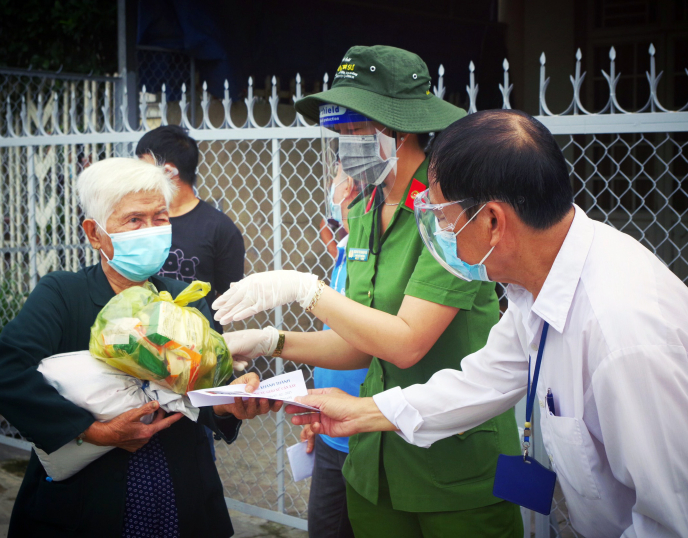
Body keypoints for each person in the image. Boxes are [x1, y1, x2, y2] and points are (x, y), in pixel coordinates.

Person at [284, 110, 688, 538]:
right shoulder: (540, 284)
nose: (441, 236)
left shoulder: (621, 332)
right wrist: (363, 412)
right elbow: (484, 380)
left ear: (493, 221)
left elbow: (682, 523)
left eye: (445, 219)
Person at [213, 46, 524, 537]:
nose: (344, 147)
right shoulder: (363, 209)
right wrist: (270, 342)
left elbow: (404, 343)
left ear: (398, 131)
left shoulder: (452, 209)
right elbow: (361, 346)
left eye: (354, 132)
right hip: (373, 459)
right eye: (338, 134)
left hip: (451, 466)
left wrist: (303, 289)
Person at [0, 158, 281, 537]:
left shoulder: (184, 299)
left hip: (181, 494)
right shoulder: (62, 294)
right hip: (87, 502)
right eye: (134, 220)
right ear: (94, 233)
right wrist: (92, 430)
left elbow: (205, 396)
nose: (151, 231)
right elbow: (3, 376)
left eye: (160, 218)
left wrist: (227, 404)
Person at [302, 166, 365, 538]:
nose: (334, 183)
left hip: (368, 429)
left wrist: (273, 341)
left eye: (337, 175)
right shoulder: (344, 249)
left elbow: (362, 346)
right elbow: (335, 339)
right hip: (330, 430)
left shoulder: (379, 254)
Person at [136, 125, 245, 330]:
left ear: (169, 172)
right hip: (140, 336)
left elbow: (228, 297)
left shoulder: (220, 228)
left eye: (143, 166)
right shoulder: (137, 223)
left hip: (198, 344)